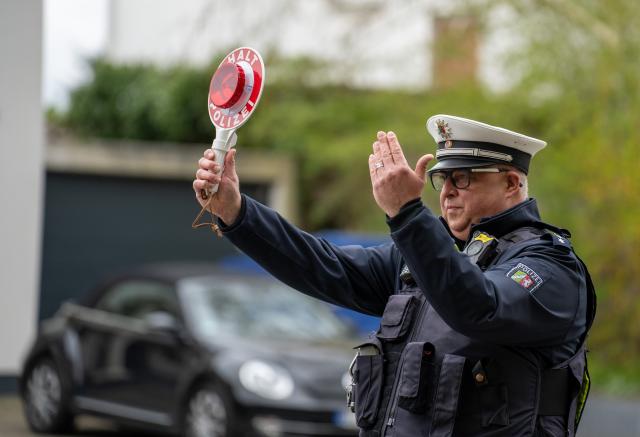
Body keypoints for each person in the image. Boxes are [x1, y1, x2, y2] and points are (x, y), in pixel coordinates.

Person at [193, 114, 595, 437]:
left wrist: (407, 213)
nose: (448, 191)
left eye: (464, 178)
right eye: (443, 179)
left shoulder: (549, 265)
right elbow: (321, 264)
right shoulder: (427, 257)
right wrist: (238, 213)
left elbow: (480, 307)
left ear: (512, 182)